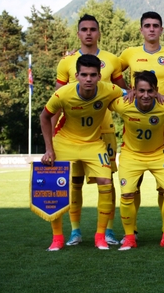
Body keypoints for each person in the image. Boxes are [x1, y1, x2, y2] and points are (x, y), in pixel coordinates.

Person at [54, 14, 128, 247]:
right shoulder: (66, 62)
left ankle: (107, 231)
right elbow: (55, 101)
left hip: (104, 130)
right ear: (78, 33)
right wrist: (53, 134)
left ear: (99, 33)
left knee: (107, 181)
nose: (88, 33)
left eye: (93, 29)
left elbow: (124, 92)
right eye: (84, 29)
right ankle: (75, 230)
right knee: (74, 182)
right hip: (72, 133)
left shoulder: (112, 60)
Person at [40, 54, 123, 251]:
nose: (88, 79)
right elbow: (44, 117)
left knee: (106, 182)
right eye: (84, 75)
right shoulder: (63, 94)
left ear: (99, 76)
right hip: (65, 142)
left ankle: (100, 236)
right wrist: (49, 149)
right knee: (56, 187)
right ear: (76, 75)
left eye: (93, 75)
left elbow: (133, 93)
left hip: (93, 143)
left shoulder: (110, 90)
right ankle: (58, 238)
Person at [119, 11, 164, 244]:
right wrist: (128, 91)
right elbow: (113, 73)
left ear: (162, 30)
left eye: (156, 25)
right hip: (138, 119)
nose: (152, 29)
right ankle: (131, 230)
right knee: (133, 183)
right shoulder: (130, 54)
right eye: (147, 26)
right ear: (141, 30)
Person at [109, 71, 164, 250]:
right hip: (131, 155)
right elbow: (104, 97)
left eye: (150, 91)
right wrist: (123, 92)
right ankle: (129, 237)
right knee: (127, 194)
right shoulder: (123, 105)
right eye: (141, 91)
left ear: (156, 91)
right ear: (134, 91)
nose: (145, 95)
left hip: (159, 155)